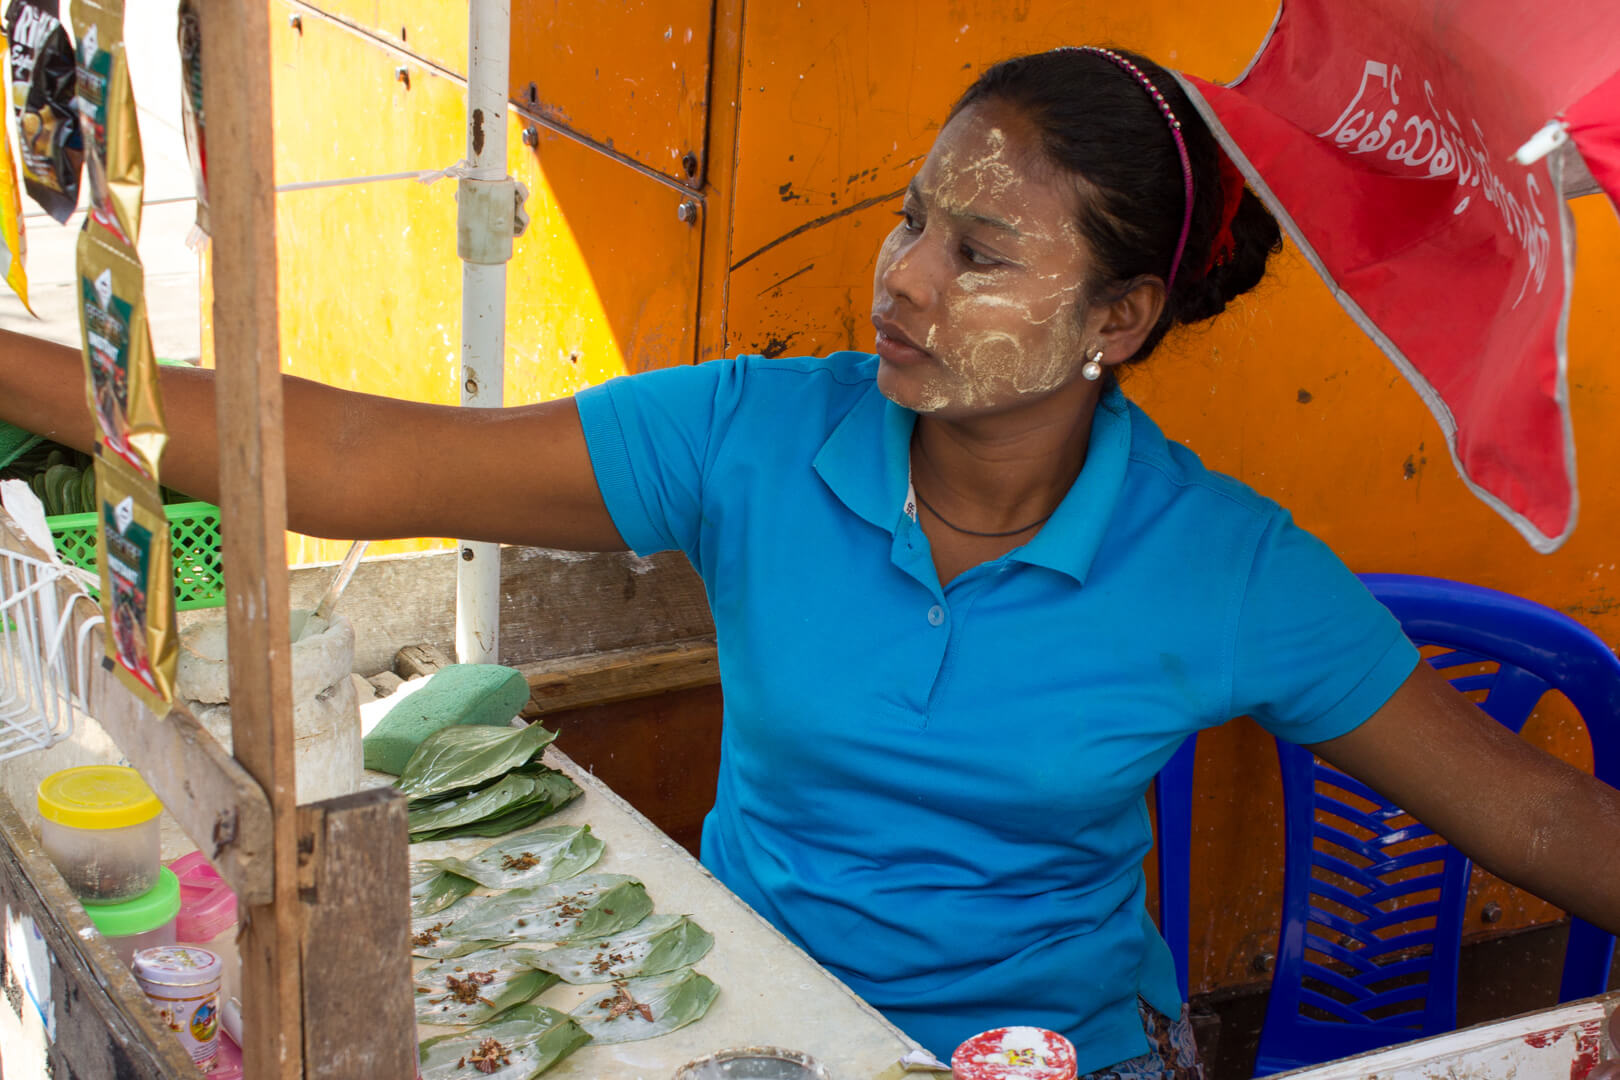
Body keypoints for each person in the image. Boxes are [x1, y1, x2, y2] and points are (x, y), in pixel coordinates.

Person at [4, 45, 1619, 1080]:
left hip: (1058, 1057)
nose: (903, 282)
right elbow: (348, 454)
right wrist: (23, 369)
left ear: (1118, 321)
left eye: (979, 251)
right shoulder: (755, 438)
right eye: (908, 219)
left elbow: (1537, 812)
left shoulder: (1223, 565)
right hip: (747, 1024)